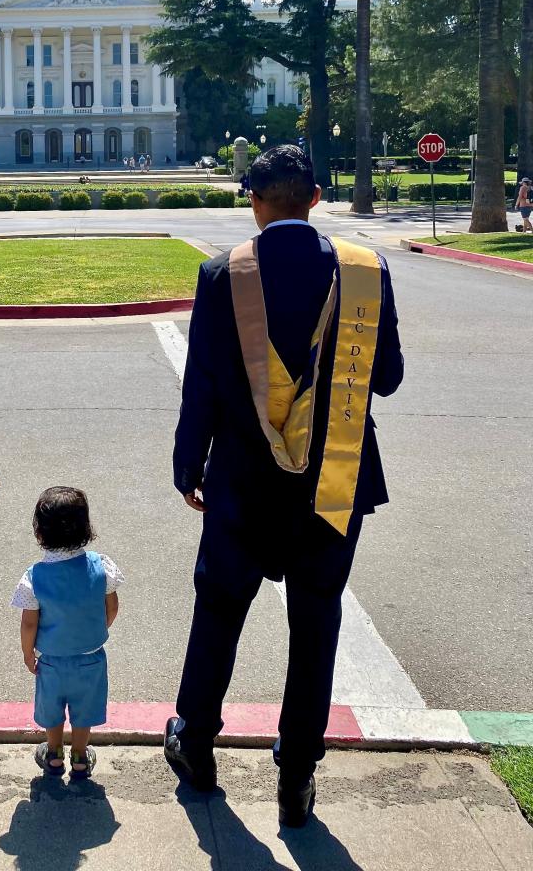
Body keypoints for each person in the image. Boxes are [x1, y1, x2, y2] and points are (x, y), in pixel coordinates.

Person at [164, 145, 403, 827]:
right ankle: (297, 775)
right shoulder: (364, 270)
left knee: (219, 610)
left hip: (242, 481)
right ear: (318, 196)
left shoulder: (223, 274)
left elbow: (201, 387)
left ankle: (197, 743)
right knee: (315, 622)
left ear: (255, 200)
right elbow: (384, 378)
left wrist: (189, 465)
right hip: (336, 479)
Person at [12, 487, 123, 778]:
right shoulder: (101, 567)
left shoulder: (35, 577)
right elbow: (111, 606)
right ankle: (80, 756)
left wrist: (27, 653)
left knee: (52, 708)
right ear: (86, 528)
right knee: (83, 710)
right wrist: (97, 628)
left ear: (40, 533)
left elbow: (29, 624)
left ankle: (54, 754)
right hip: (91, 657)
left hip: (51, 660)